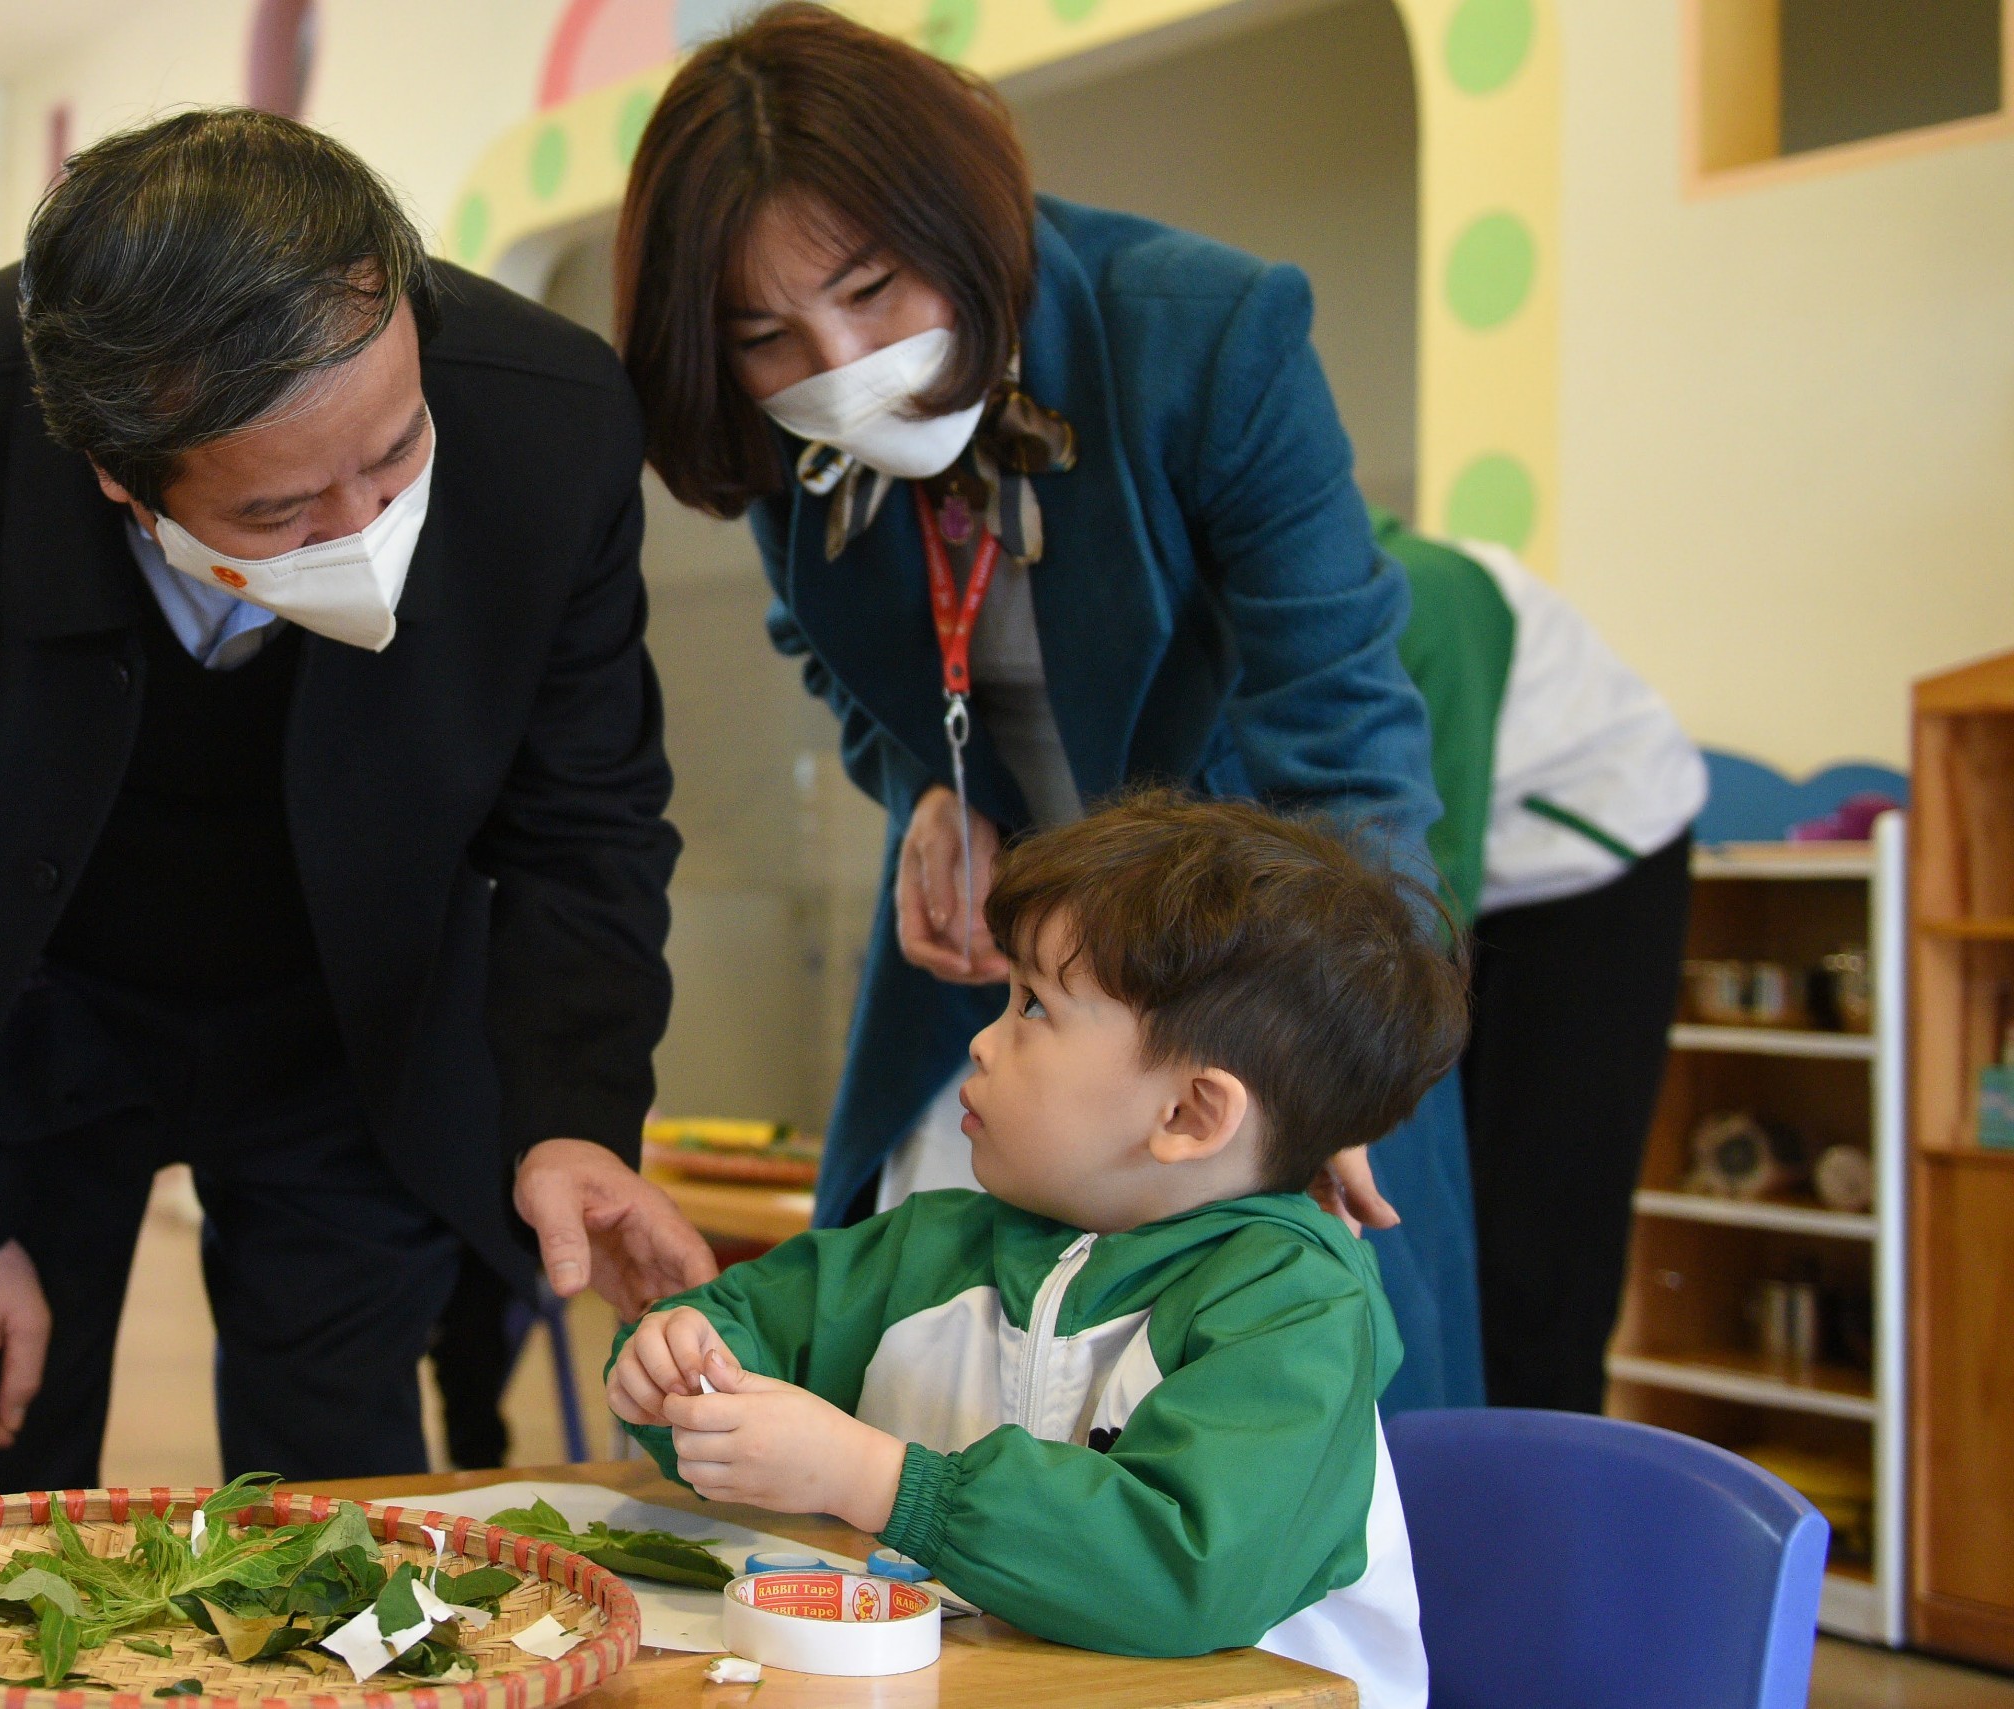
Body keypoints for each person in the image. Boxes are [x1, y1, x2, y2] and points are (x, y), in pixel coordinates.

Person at [0, 109, 714, 1505]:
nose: (363, 526)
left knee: (342, 1470)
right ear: (114, 475)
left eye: (393, 456)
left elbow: (590, 812)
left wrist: (575, 1106)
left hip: (353, 1014)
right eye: (277, 512)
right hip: (24, 1003)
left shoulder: (551, 415)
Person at [614, 3, 1480, 1407]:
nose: (838, 362)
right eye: (768, 334)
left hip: (1254, 959)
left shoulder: (1211, 337)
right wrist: (932, 796)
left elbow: (1347, 734)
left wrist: (1331, 1054)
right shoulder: (793, 450)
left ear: (961, 217)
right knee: (928, 1345)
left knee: (1276, 1389)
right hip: (1022, 974)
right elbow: (844, 664)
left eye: (878, 288)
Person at [609, 792, 1462, 1705]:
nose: (980, 1041)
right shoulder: (934, 1246)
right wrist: (677, 1364)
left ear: (1188, 1113)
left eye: (1032, 1007)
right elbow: (737, 1333)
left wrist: (880, 1481)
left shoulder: (1295, 1312)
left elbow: (1182, 1569)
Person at [1380, 512, 1704, 1412]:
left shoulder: (1427, 595)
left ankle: (1535, 1514)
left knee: (1538, 1249)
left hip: (1595, 871)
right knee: (1441, 1224)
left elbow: (1432, 879)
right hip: (1473, 869)